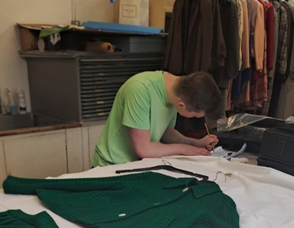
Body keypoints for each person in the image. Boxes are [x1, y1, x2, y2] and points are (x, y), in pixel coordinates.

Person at [91, 70, 224, 167]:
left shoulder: (176, 91)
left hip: (138, 166)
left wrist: (194, 143)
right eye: (195, 116)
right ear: (181, 105)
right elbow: (144, 149)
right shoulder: (139, 89)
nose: (195, 118)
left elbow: (167, 132)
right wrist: (184, 149)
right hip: (111, 165)